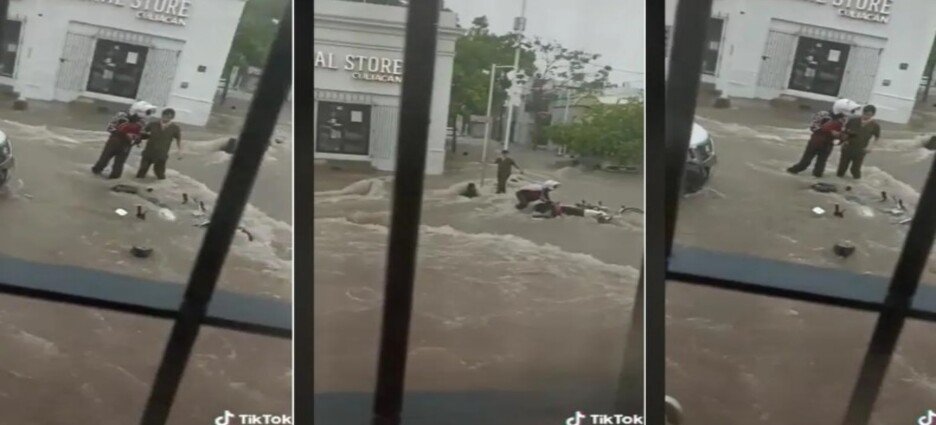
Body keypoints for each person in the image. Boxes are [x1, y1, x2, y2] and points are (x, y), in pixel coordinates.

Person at [787, 112, 845, 178]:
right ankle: (790, 172)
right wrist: (829, 130)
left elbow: (843, 135)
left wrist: (839, 135)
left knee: (819, 168)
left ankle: (815, 180)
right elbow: (813, 128)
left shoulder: (842, 120)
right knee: (804, 163)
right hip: (815, 143)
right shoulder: (822, 114)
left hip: (827, 144)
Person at [92, 114, 144, 179]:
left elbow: (109, 129)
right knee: (119, 164)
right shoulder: (138, 126)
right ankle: (114, 178)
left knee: (104, 159)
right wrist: (136, 140)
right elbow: (139, 138)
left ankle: (95, 172)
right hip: (125, 146)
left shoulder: (121, 121)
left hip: (113, 143)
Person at [137, 108, 182, 180]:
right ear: (162, 115)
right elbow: (142, 132)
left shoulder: (175, 128)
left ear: (172, 118)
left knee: (159, 173)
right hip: (149, 151)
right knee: (142, 170)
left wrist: (180, 151)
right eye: (165, 116)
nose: (166, 118)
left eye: (169, 117)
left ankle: (161, 187)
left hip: (162, 153)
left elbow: (178, 140)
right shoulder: (153, 124)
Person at [837, 105, 881, 179]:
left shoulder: (875, 126)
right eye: (865, 114)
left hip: (861, 150)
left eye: (869, 115)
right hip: (847, 147)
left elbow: (876, 138)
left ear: (873, 115)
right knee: (842, 169)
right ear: (862, 112)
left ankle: (858, 185)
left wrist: (870, 148)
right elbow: (844, 132)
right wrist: (843, 141)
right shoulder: (853, 120)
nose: (866, 116)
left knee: (855, 170)